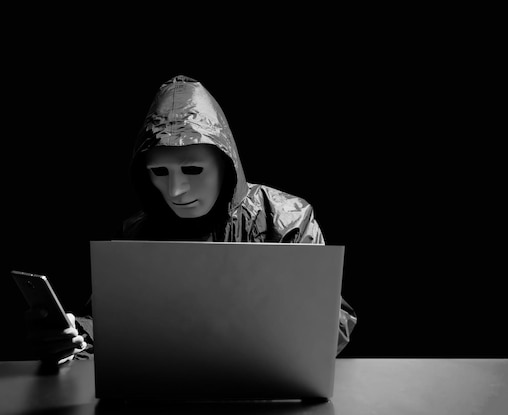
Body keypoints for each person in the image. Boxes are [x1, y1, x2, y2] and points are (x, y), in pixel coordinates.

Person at [26, 74, 357, 364]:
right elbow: (110, 319)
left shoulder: (287, 219)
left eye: (193, 169)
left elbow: (333, 321)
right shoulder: (138, 230)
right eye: (159, 172)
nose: (177, 190)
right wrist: (77, 334)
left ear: (225, 166)